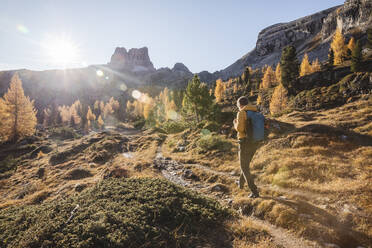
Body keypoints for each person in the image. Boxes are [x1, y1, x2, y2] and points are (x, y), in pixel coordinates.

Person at [233, 96, 260, 198]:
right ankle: (240, 184)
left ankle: (254, 191)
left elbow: (240, 129)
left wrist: (235, 123)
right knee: (245, 165)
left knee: (244, 167)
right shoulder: (256, 112)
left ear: (240, 105)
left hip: (244, 142)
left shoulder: (241, 113)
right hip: (255, 142)